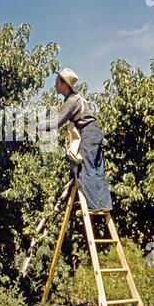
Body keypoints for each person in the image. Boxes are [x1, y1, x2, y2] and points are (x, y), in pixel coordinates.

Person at [40, 68, 113, 212]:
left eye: (57, 83)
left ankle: (93, 206)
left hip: (87, 133)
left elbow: (57, 122)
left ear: (64, 85)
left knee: (85, 169)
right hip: (95, 132)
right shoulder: (78, 97)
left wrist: (38, 127)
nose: (55, 86)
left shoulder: (72, 100)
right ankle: (105, 205)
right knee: (97, 170)